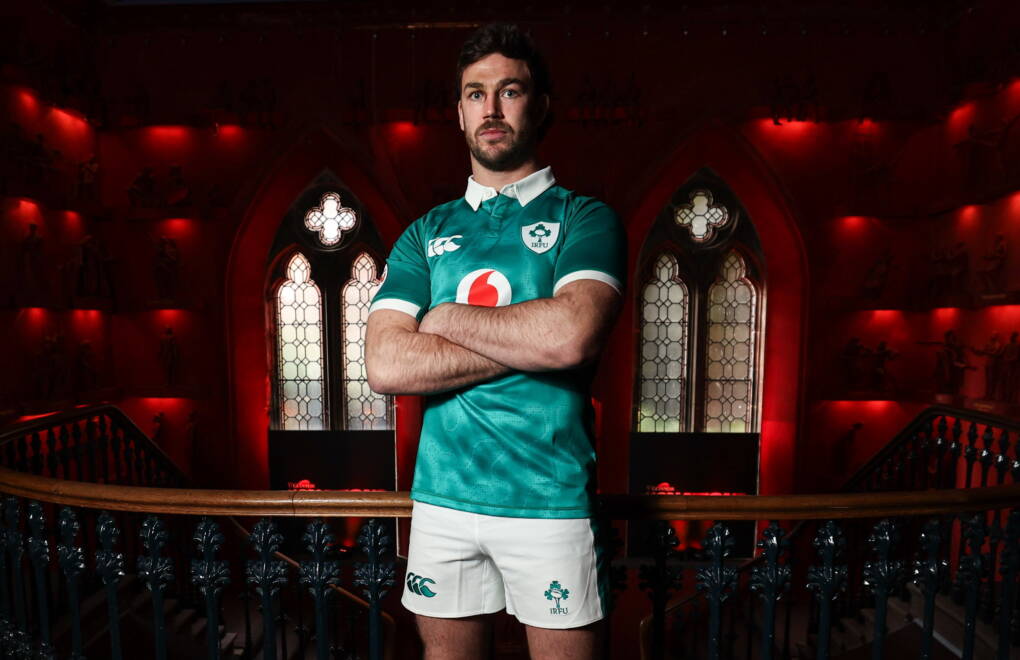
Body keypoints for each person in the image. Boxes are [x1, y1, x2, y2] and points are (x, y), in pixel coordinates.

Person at [365, 23, 625, 660]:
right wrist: (525, 340)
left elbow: (571, 337)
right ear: (459, 112)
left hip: (550, 501)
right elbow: (386, 363)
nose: (491, 108)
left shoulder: (585, 218)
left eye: (510, 91)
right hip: (443, 502)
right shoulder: (424, 233)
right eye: (475, 93)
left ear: (539, 107)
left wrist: (445, 315)